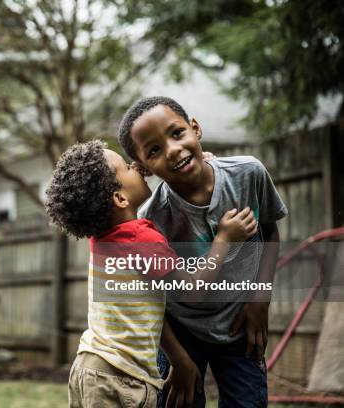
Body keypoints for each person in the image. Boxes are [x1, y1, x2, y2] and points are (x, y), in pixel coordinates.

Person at [44, 140, 257, 407]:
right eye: (126, 167)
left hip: (89, 367)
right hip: (121, 378)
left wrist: (194, 166)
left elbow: (151, 309)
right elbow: (193, 291)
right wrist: (225, 239)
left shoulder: (104, 239)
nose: (136, 167)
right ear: (120, 198)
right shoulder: (142, 240)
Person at [117, 96, 288, 408]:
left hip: (239, 324)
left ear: (195, 128)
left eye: (177, 133)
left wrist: (259, 301)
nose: (172, 150)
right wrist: (179, 360)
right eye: (154, 150)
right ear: (142, 167)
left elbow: (269, 233)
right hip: (180, 335)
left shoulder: (248, 173)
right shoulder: (150, 220)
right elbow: (153, 299)